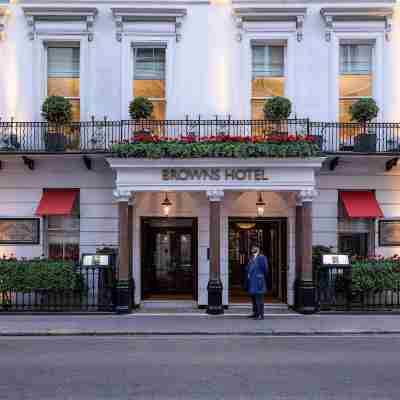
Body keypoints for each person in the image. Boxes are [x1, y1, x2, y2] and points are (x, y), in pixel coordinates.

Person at [246, 245, 269, 320]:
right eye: (252, 248)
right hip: (252, 281)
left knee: (259, 298)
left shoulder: (262, 257)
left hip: (259, 281)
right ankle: (255, 313)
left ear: (258, 249)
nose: (253, 249)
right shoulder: (252, 257)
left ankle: (260, 315)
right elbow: (248, 268)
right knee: (253, 298)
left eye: (254, 248)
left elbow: (265, 269)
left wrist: (260, 276)